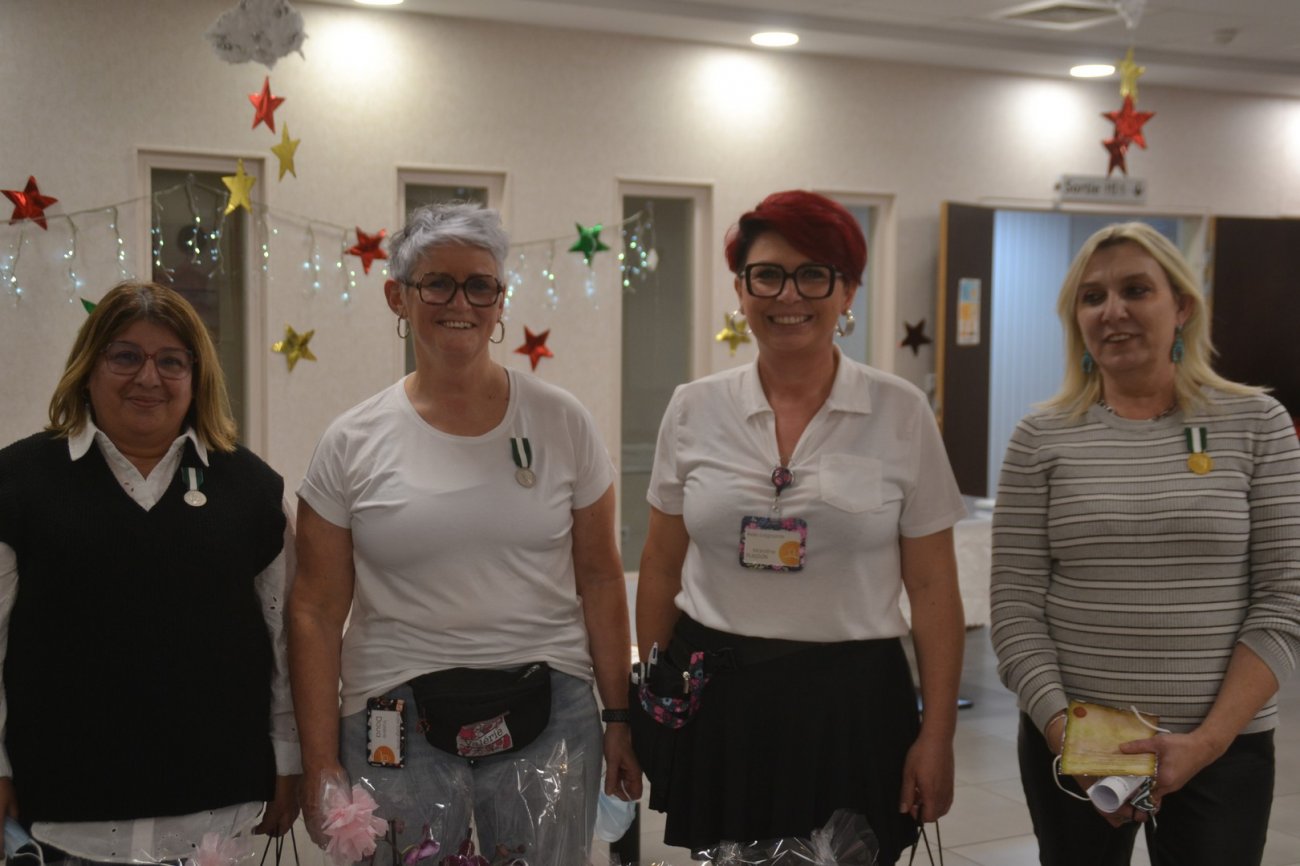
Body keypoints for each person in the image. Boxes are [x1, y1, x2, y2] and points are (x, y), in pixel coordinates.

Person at [289, 202, 640, 861]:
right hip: (393, 718)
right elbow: (314, 609)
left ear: (500, 299)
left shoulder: (562, 422)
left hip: (550, 709)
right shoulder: (351, 441)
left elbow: (599, 577)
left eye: (480, 285)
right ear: (398, 296)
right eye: (438, 284)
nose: (460, 303)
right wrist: (318, 759)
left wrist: (619, 717)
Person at [634, 190, 967, 863]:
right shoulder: (694, 409)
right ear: (741, 289)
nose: (789, 295)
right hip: (721, 700)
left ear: (848, 292)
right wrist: (653, 700)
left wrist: (937, 736)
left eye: (814, 274)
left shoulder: (899, 413)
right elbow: (661, 564)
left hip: (852, 705)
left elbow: (934, 589)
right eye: (768, 275)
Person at [990, 222, 1300, 866]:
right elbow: (1015, 608)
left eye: (1136, 290)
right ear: (1076, 318)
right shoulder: (1040, 438)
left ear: (1181, 306)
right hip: (1074, 743)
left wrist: (1208, 742)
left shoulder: (1257, 424)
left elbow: (1286, 598)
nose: (1113, 311)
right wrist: (1069, 739)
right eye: (1092, 297)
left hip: (1223, 745)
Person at [0, 281, 300, 862]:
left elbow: (284, 639)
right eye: (125, 356)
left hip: (217, 815)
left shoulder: (252, 489)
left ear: (196, 376)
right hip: (61, 816)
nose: (148, 377)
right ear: (88, 369)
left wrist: (289, 758)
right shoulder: (18, 483)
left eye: (171, 361)